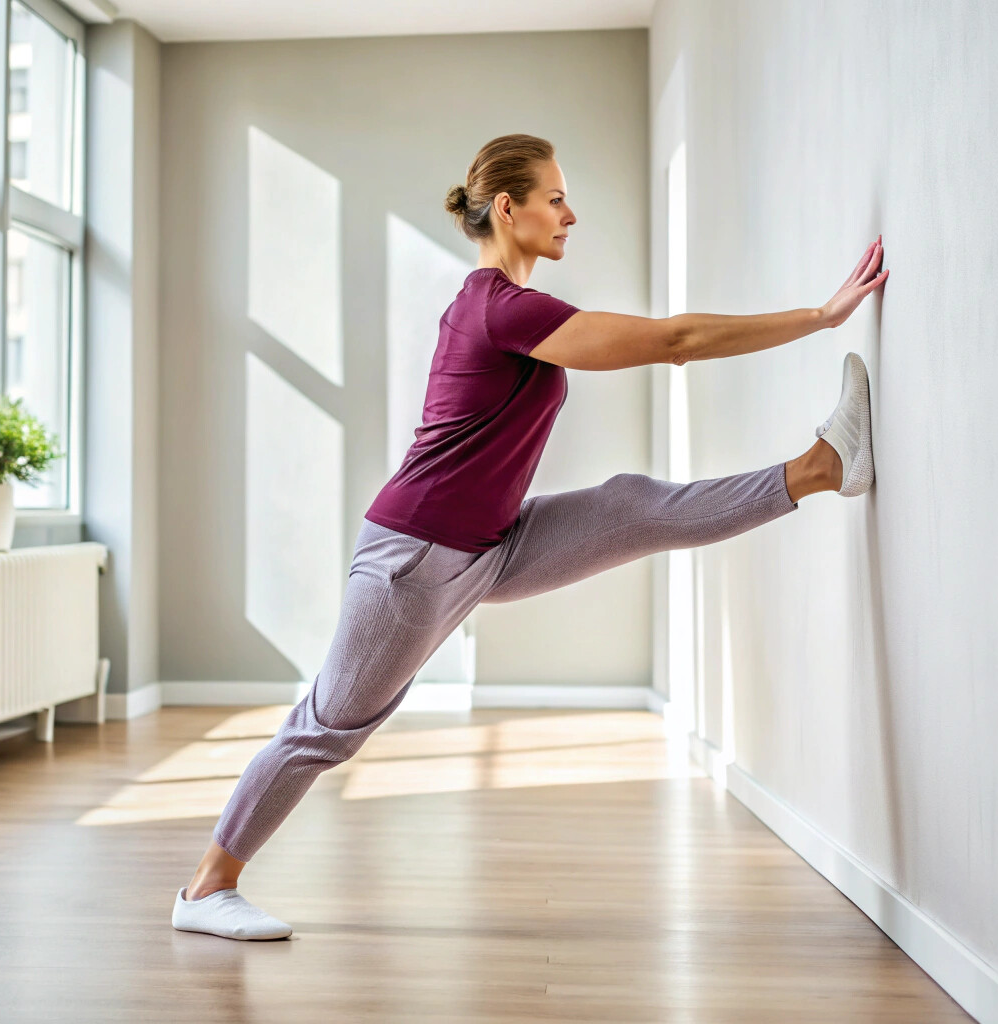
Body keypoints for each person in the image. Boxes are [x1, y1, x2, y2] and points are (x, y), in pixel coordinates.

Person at [172, 133, 889, 940]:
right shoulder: (499, 308)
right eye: (555, 198)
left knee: (634, 504)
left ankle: (826, 465)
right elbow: (673, 344)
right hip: (414, 558)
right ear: (507, 209)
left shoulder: (499, 307)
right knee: (326, 728)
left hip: (490, 544)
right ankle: (205, 888)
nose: (569, 214)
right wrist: (821, 317)